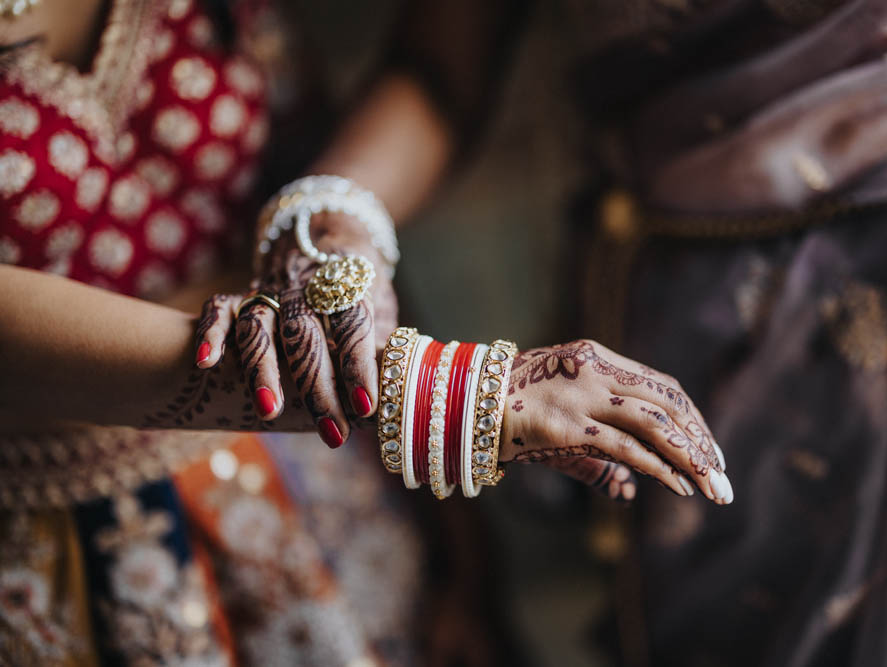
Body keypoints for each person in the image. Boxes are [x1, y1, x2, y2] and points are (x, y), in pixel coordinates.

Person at [0, 1, 730, 664]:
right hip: (64, 539)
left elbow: (381, 116)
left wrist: (337, 236)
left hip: (340, 466)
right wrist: (437, 392)